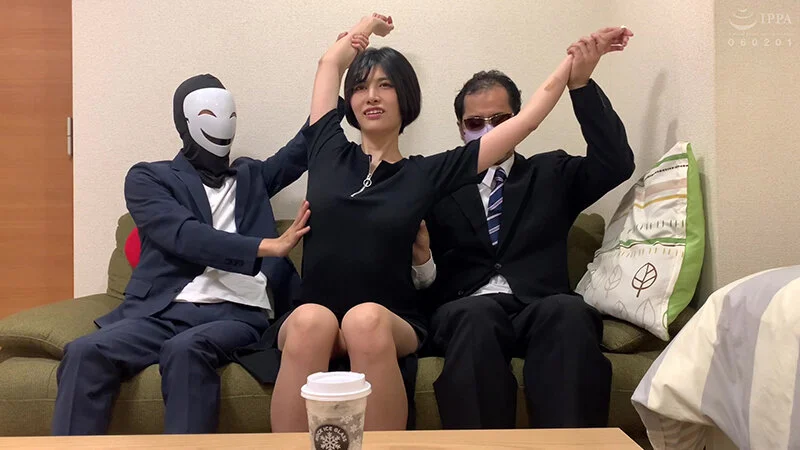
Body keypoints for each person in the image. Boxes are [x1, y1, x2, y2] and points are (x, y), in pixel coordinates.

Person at [261, 13, 629, 432]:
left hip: (388, 315)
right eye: (360, 87)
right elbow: (329, 64)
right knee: (311, 319)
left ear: (406, 98)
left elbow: (527, 120)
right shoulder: (326, 148)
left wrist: (573, 66)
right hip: (328, 310)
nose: (371, 95)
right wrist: (365, 29)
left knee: (365, 319)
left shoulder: (427, 174)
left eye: (385, 85)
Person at [52, 74, 313, 435]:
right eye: (207, 113)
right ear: (184, 121)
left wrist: (335, 69)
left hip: (237, 312)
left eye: (229, 114)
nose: (222, 123)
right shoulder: (148, 179)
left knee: (186, 349)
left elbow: (304, 146)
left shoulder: (252, 176)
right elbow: (184, 235)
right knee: (84, 352)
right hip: (163, 311)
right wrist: (265, 246)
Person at [423, 28, 636, 429]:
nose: (488, 131)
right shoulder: (437, 184)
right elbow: (421, 270)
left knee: (569, 311)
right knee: (475, 316)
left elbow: (616, 164)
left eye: (501, 120)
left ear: (520, 121)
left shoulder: (549, 172)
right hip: (467, 309)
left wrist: (581, 87)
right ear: (460, 128)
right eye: (475, 122)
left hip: (541, 305)